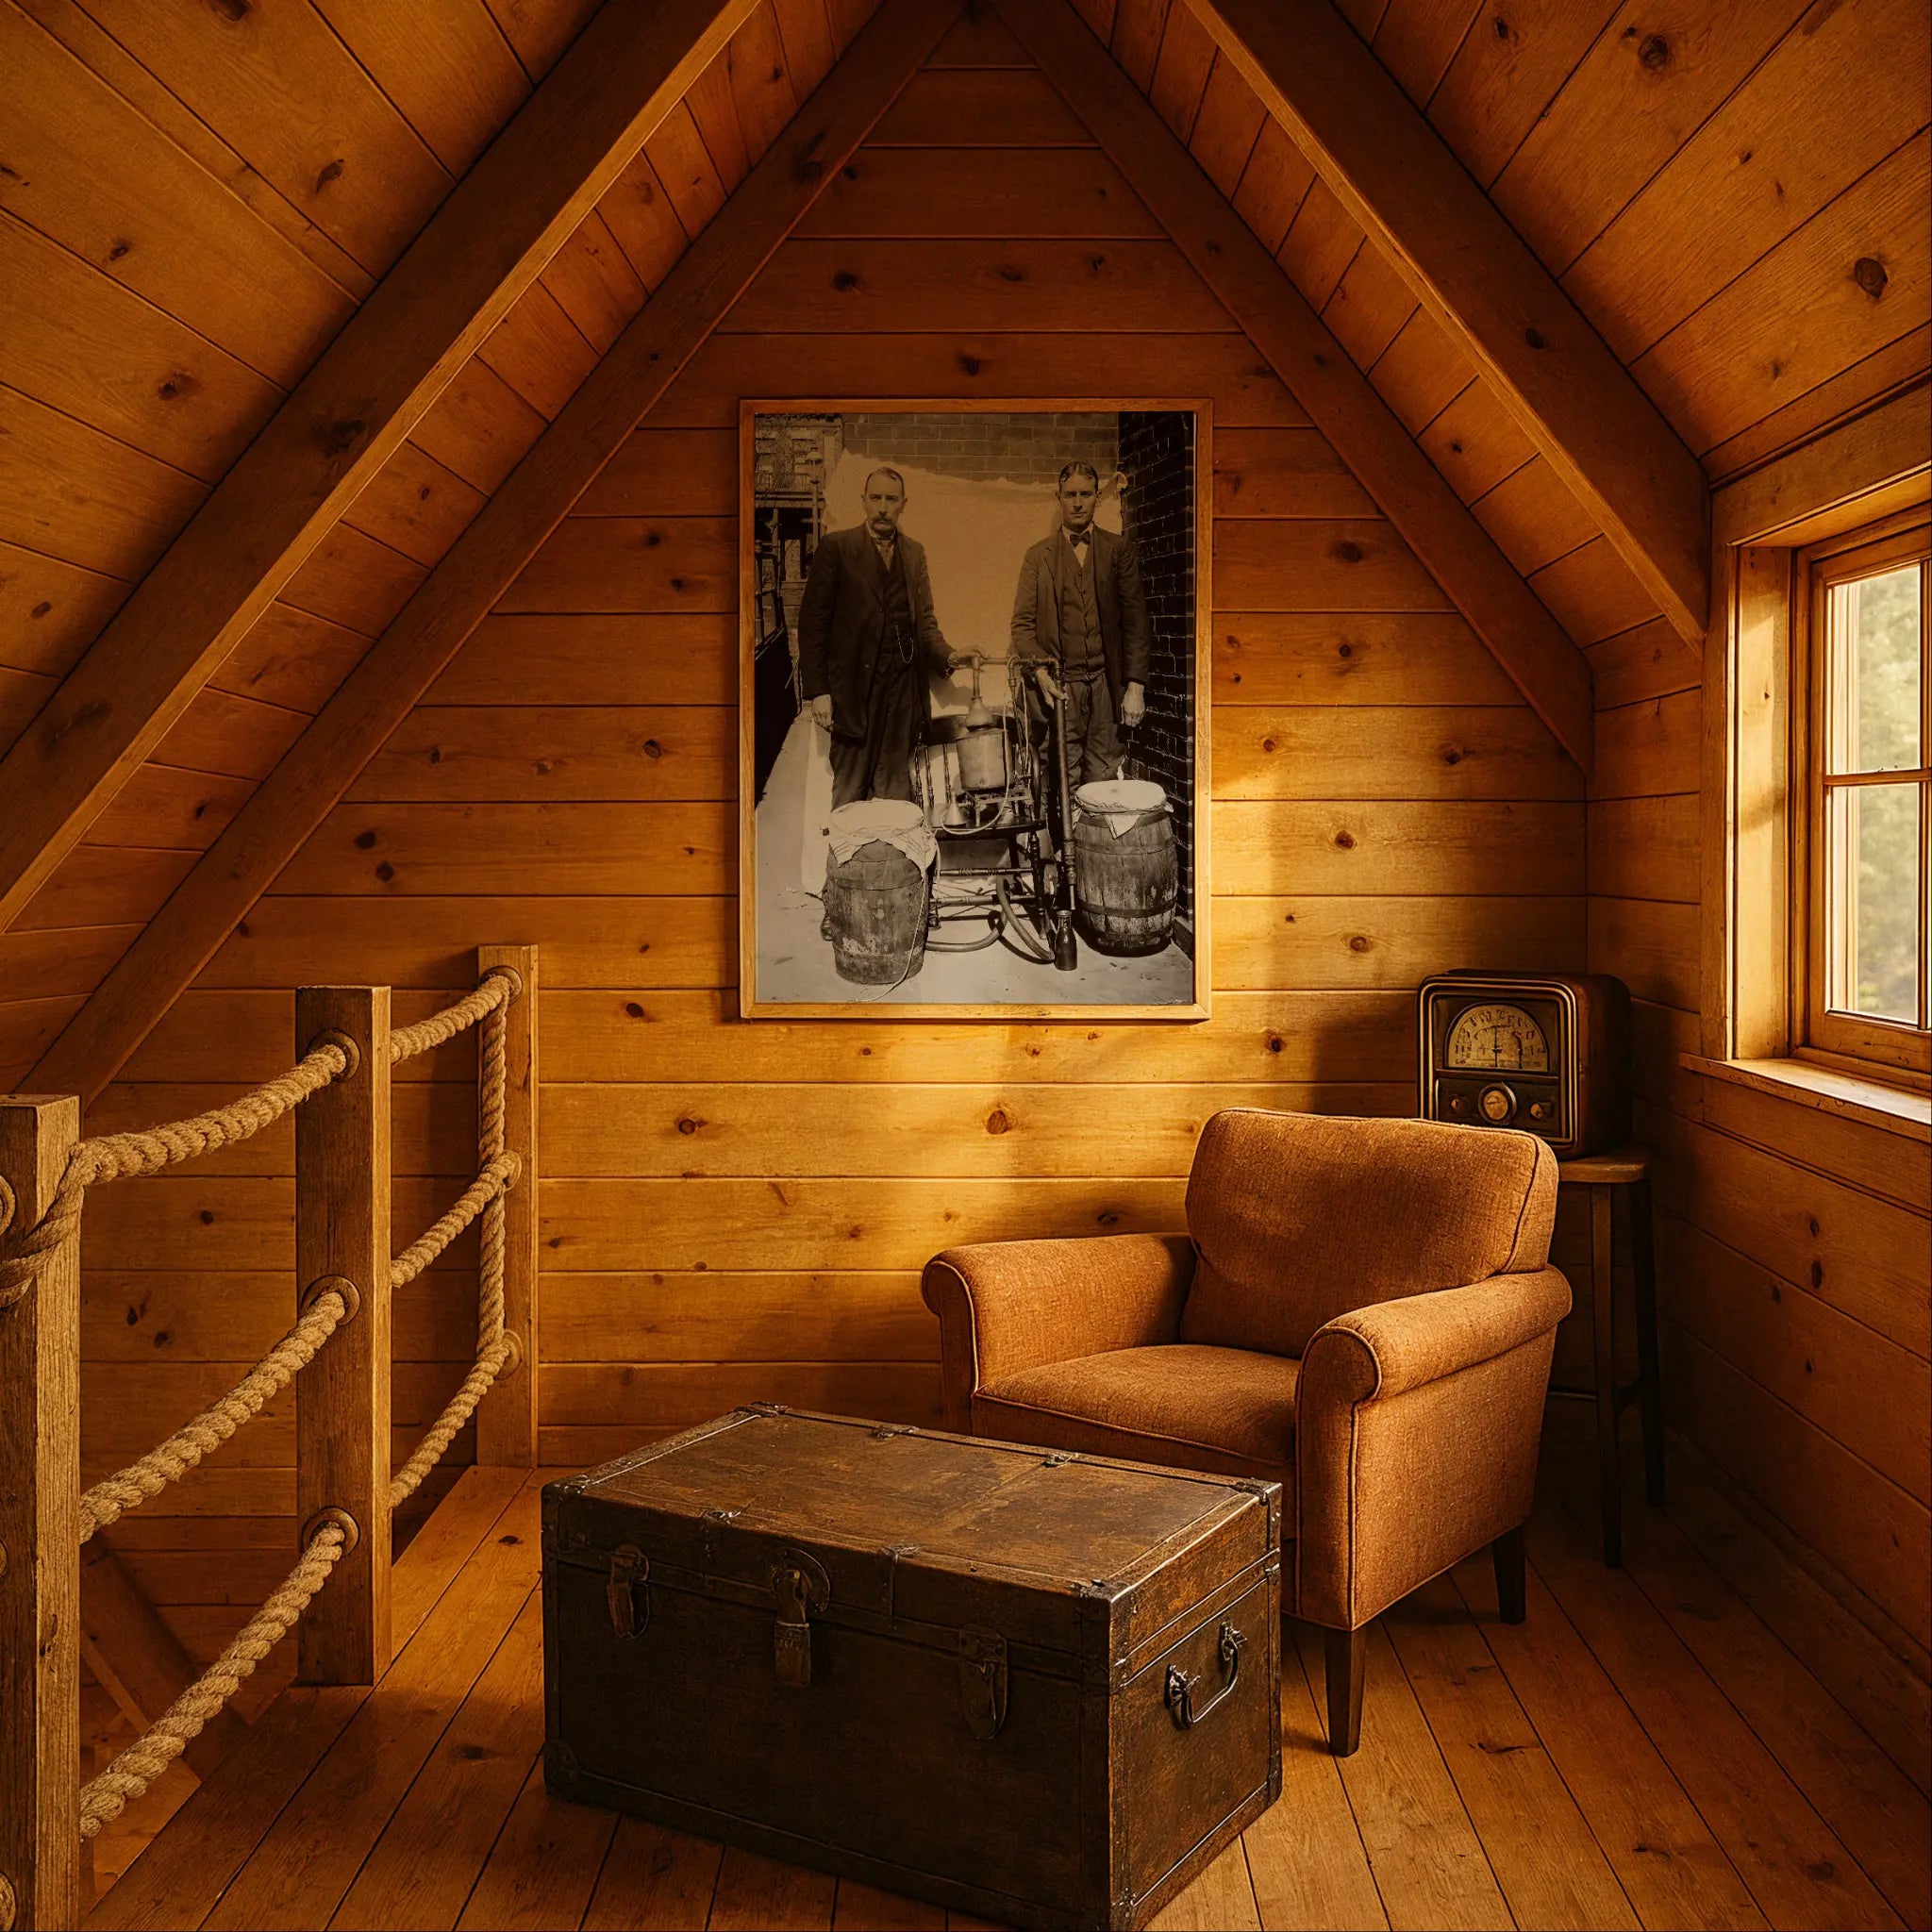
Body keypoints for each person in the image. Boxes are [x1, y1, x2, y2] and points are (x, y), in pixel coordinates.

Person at [795, 467, 955, 808]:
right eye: (876, 498)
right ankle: (848, 861)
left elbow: (925, 623)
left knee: (897, 798)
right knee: (850, 795)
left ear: (903, 504)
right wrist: (818, 691)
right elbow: (812, 624)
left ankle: (892, 861)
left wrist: (949, 657)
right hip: (853, 695)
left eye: (891, 499)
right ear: (864, 502)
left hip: (903, 696)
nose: (883, 507)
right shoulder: (836, 548)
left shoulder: (914, 554)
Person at [1009, 461, 1151, 784]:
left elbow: (1136, 622)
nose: (1077, 502)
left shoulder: (1118, 550)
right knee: (1061, 779)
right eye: (1070, 494)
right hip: (1060, 689)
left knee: (1103, 779)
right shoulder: (1037, 556)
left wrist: (1135, 686)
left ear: (1097, 498)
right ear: (1058, 498)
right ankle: (1063, 836)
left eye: (1085, 494)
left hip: (1105, 685)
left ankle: (1093, 837)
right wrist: (1041, 674)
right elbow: (1022, 625)